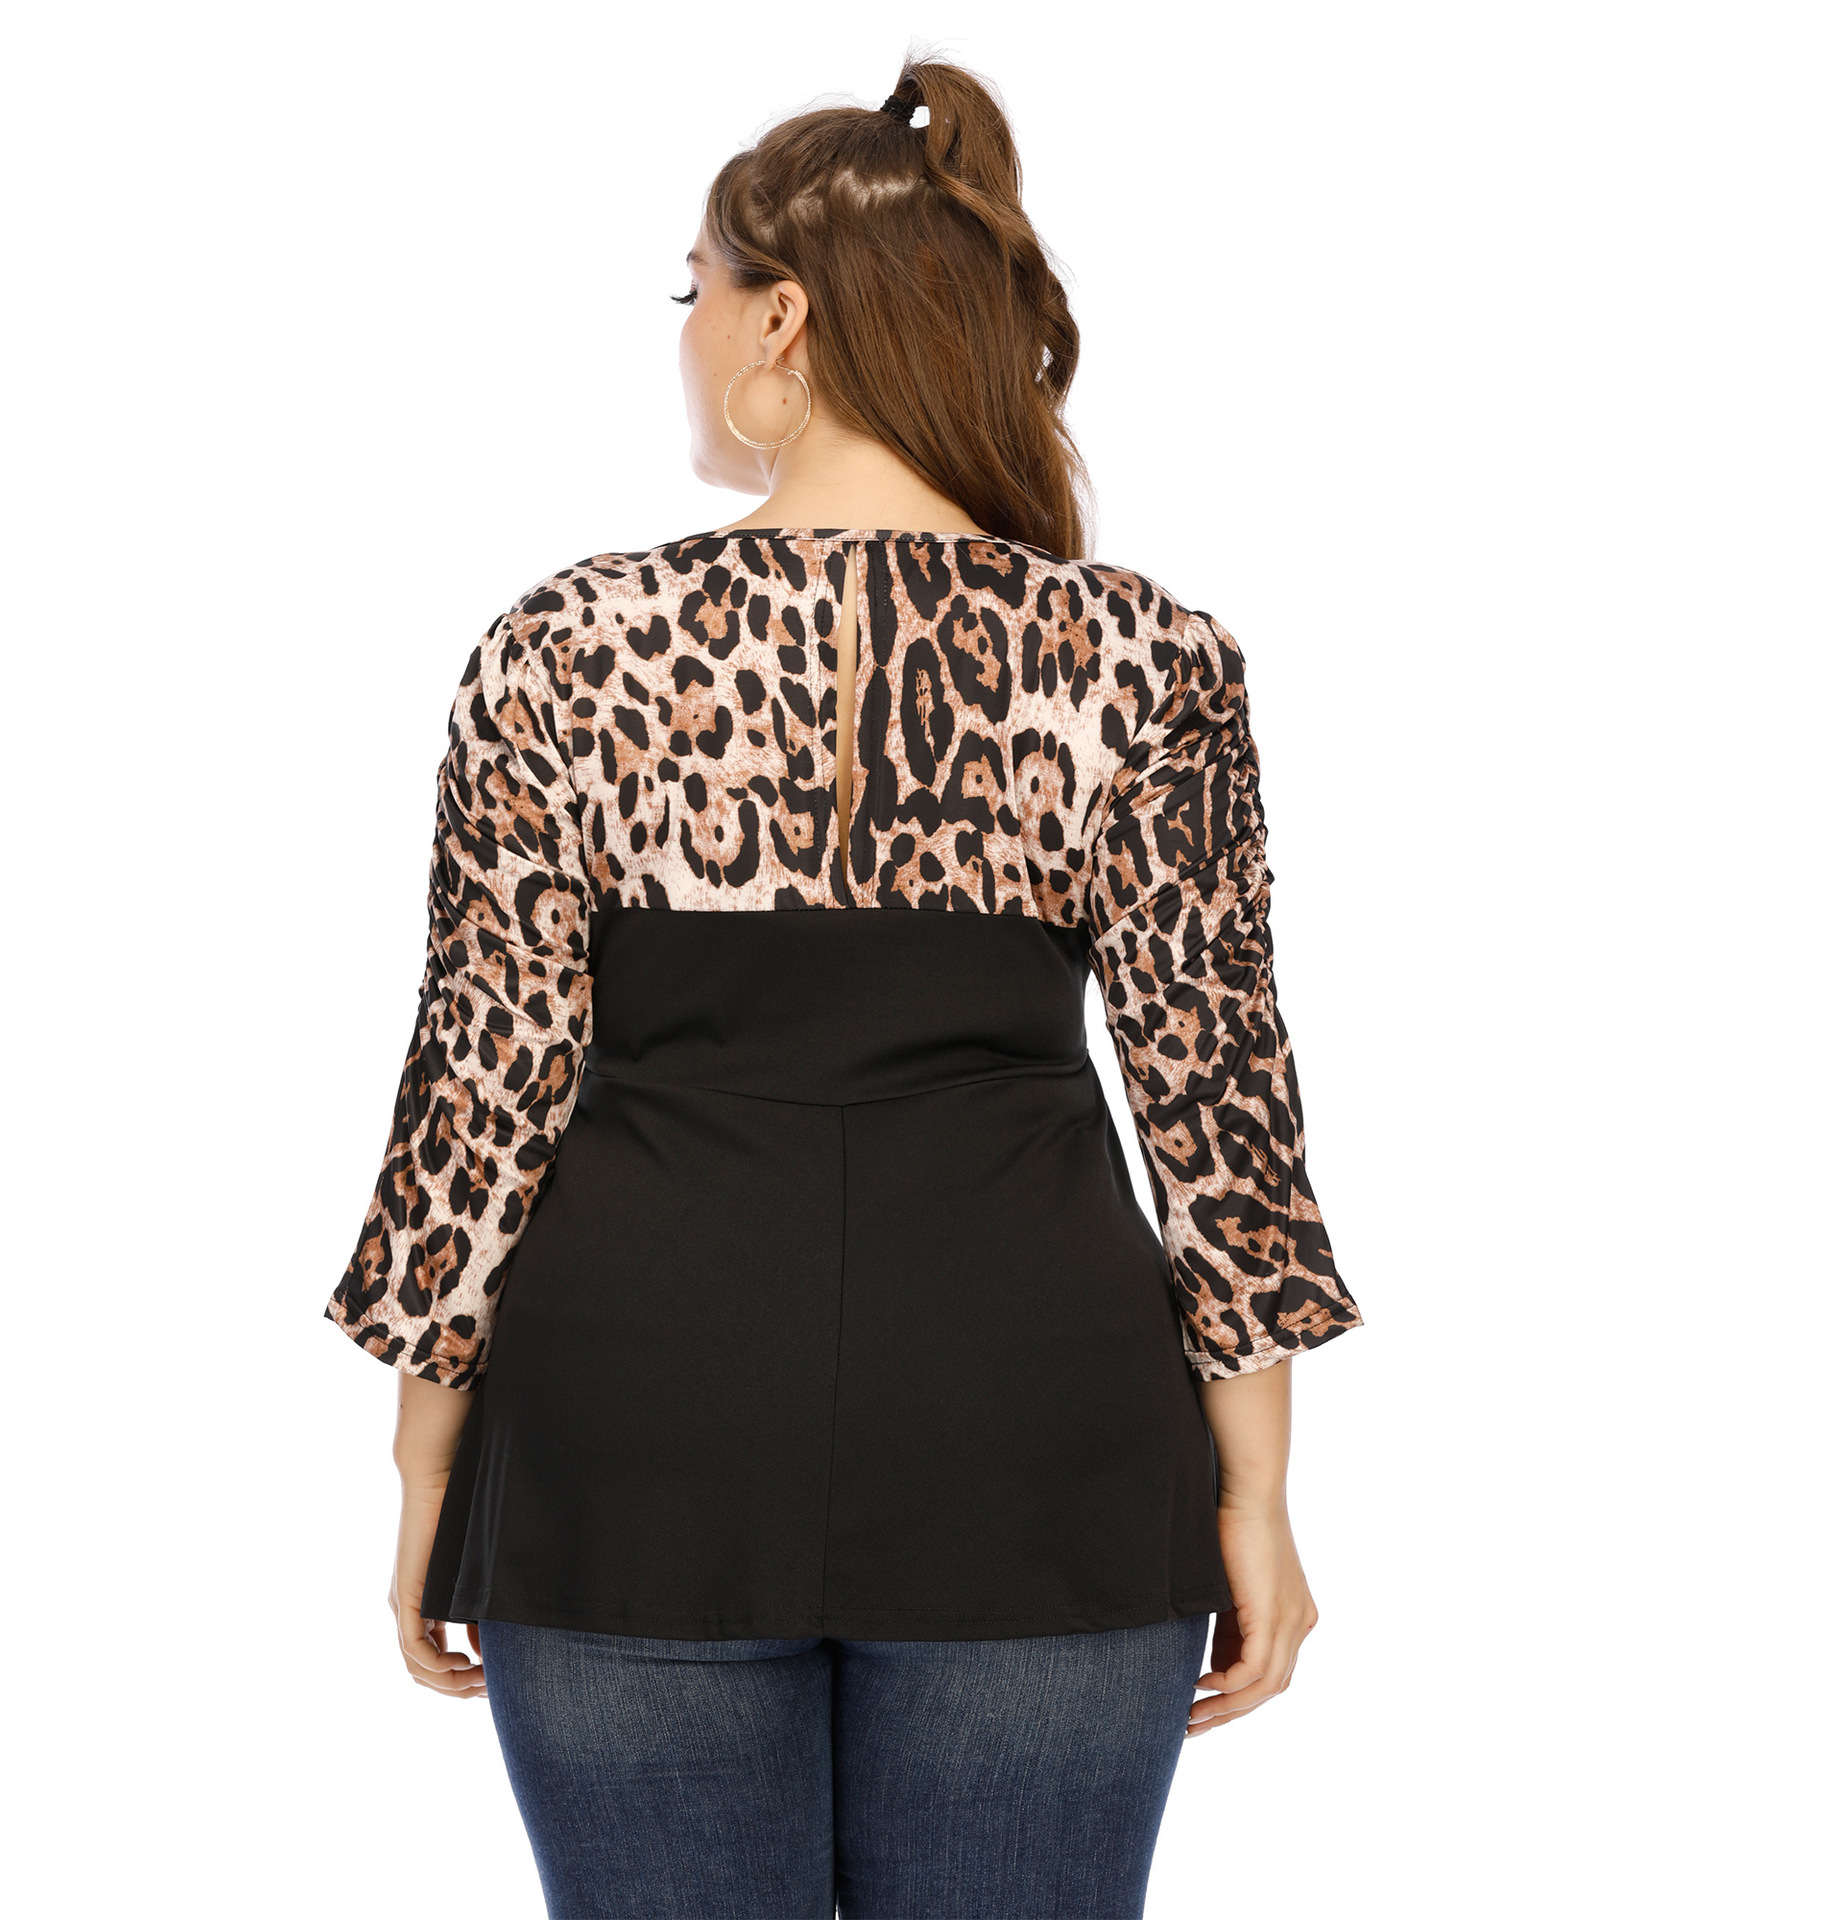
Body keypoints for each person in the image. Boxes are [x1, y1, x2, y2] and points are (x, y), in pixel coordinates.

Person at [325, 55, 1362, 1920]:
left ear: (778, 317)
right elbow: (1217, 1102)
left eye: (692, 290)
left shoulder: (565, 648)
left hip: (632, 1425)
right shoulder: (1142, 659)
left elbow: (482, 1087)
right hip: (1036, 1433)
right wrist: (1257, 1494)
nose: (684, 330)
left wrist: (426, 1463)